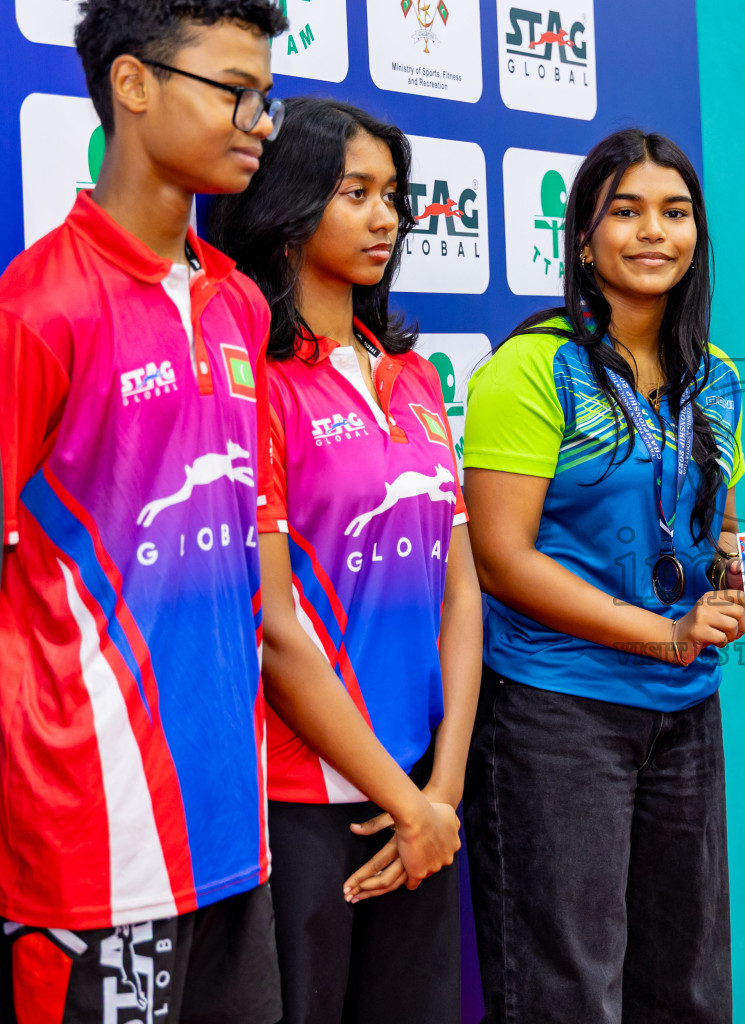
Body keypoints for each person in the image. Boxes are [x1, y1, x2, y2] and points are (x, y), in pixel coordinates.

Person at [0, 1, 288, 1021]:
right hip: (92, 849)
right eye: (233, 91)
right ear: (132, 84)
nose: (258, 120)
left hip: (233, 835)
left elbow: (259, 570)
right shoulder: (36, 308)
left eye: (267, 97)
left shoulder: (242, 304)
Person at [460, 128, 745, 1023]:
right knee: (569, 990)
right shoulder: (531, 368)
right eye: (624, 212)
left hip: (684, 714)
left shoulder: (719, 379)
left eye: (674, 211)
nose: (652, 231)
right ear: (582, 237)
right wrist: (664, 633)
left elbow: (716, 523)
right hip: (558, 712)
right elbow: (502, 560)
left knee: (688, 987)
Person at [206, 98, 477, 1023]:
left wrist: (440, 789)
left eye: (393, 195)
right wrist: (404, 801)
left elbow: (462, 586)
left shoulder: (412, 375)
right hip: (303, 797)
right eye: (355, 192)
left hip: (424, 798)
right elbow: (274, 626)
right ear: (287, 204)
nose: (386, 218)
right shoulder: (254, 381)